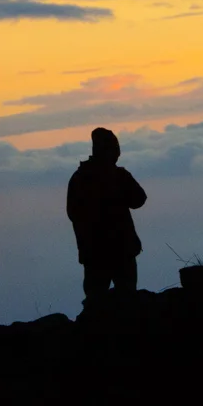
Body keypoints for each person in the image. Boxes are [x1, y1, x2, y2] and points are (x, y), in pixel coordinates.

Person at [66, 127, 147, 305]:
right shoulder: (118, 176)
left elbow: (72, 213)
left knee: (95, 302)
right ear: (110, 151)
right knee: (127, 300)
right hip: (121, 250)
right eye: (115, 150)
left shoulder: (79, 178)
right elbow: (139, 199)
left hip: (93, 253)